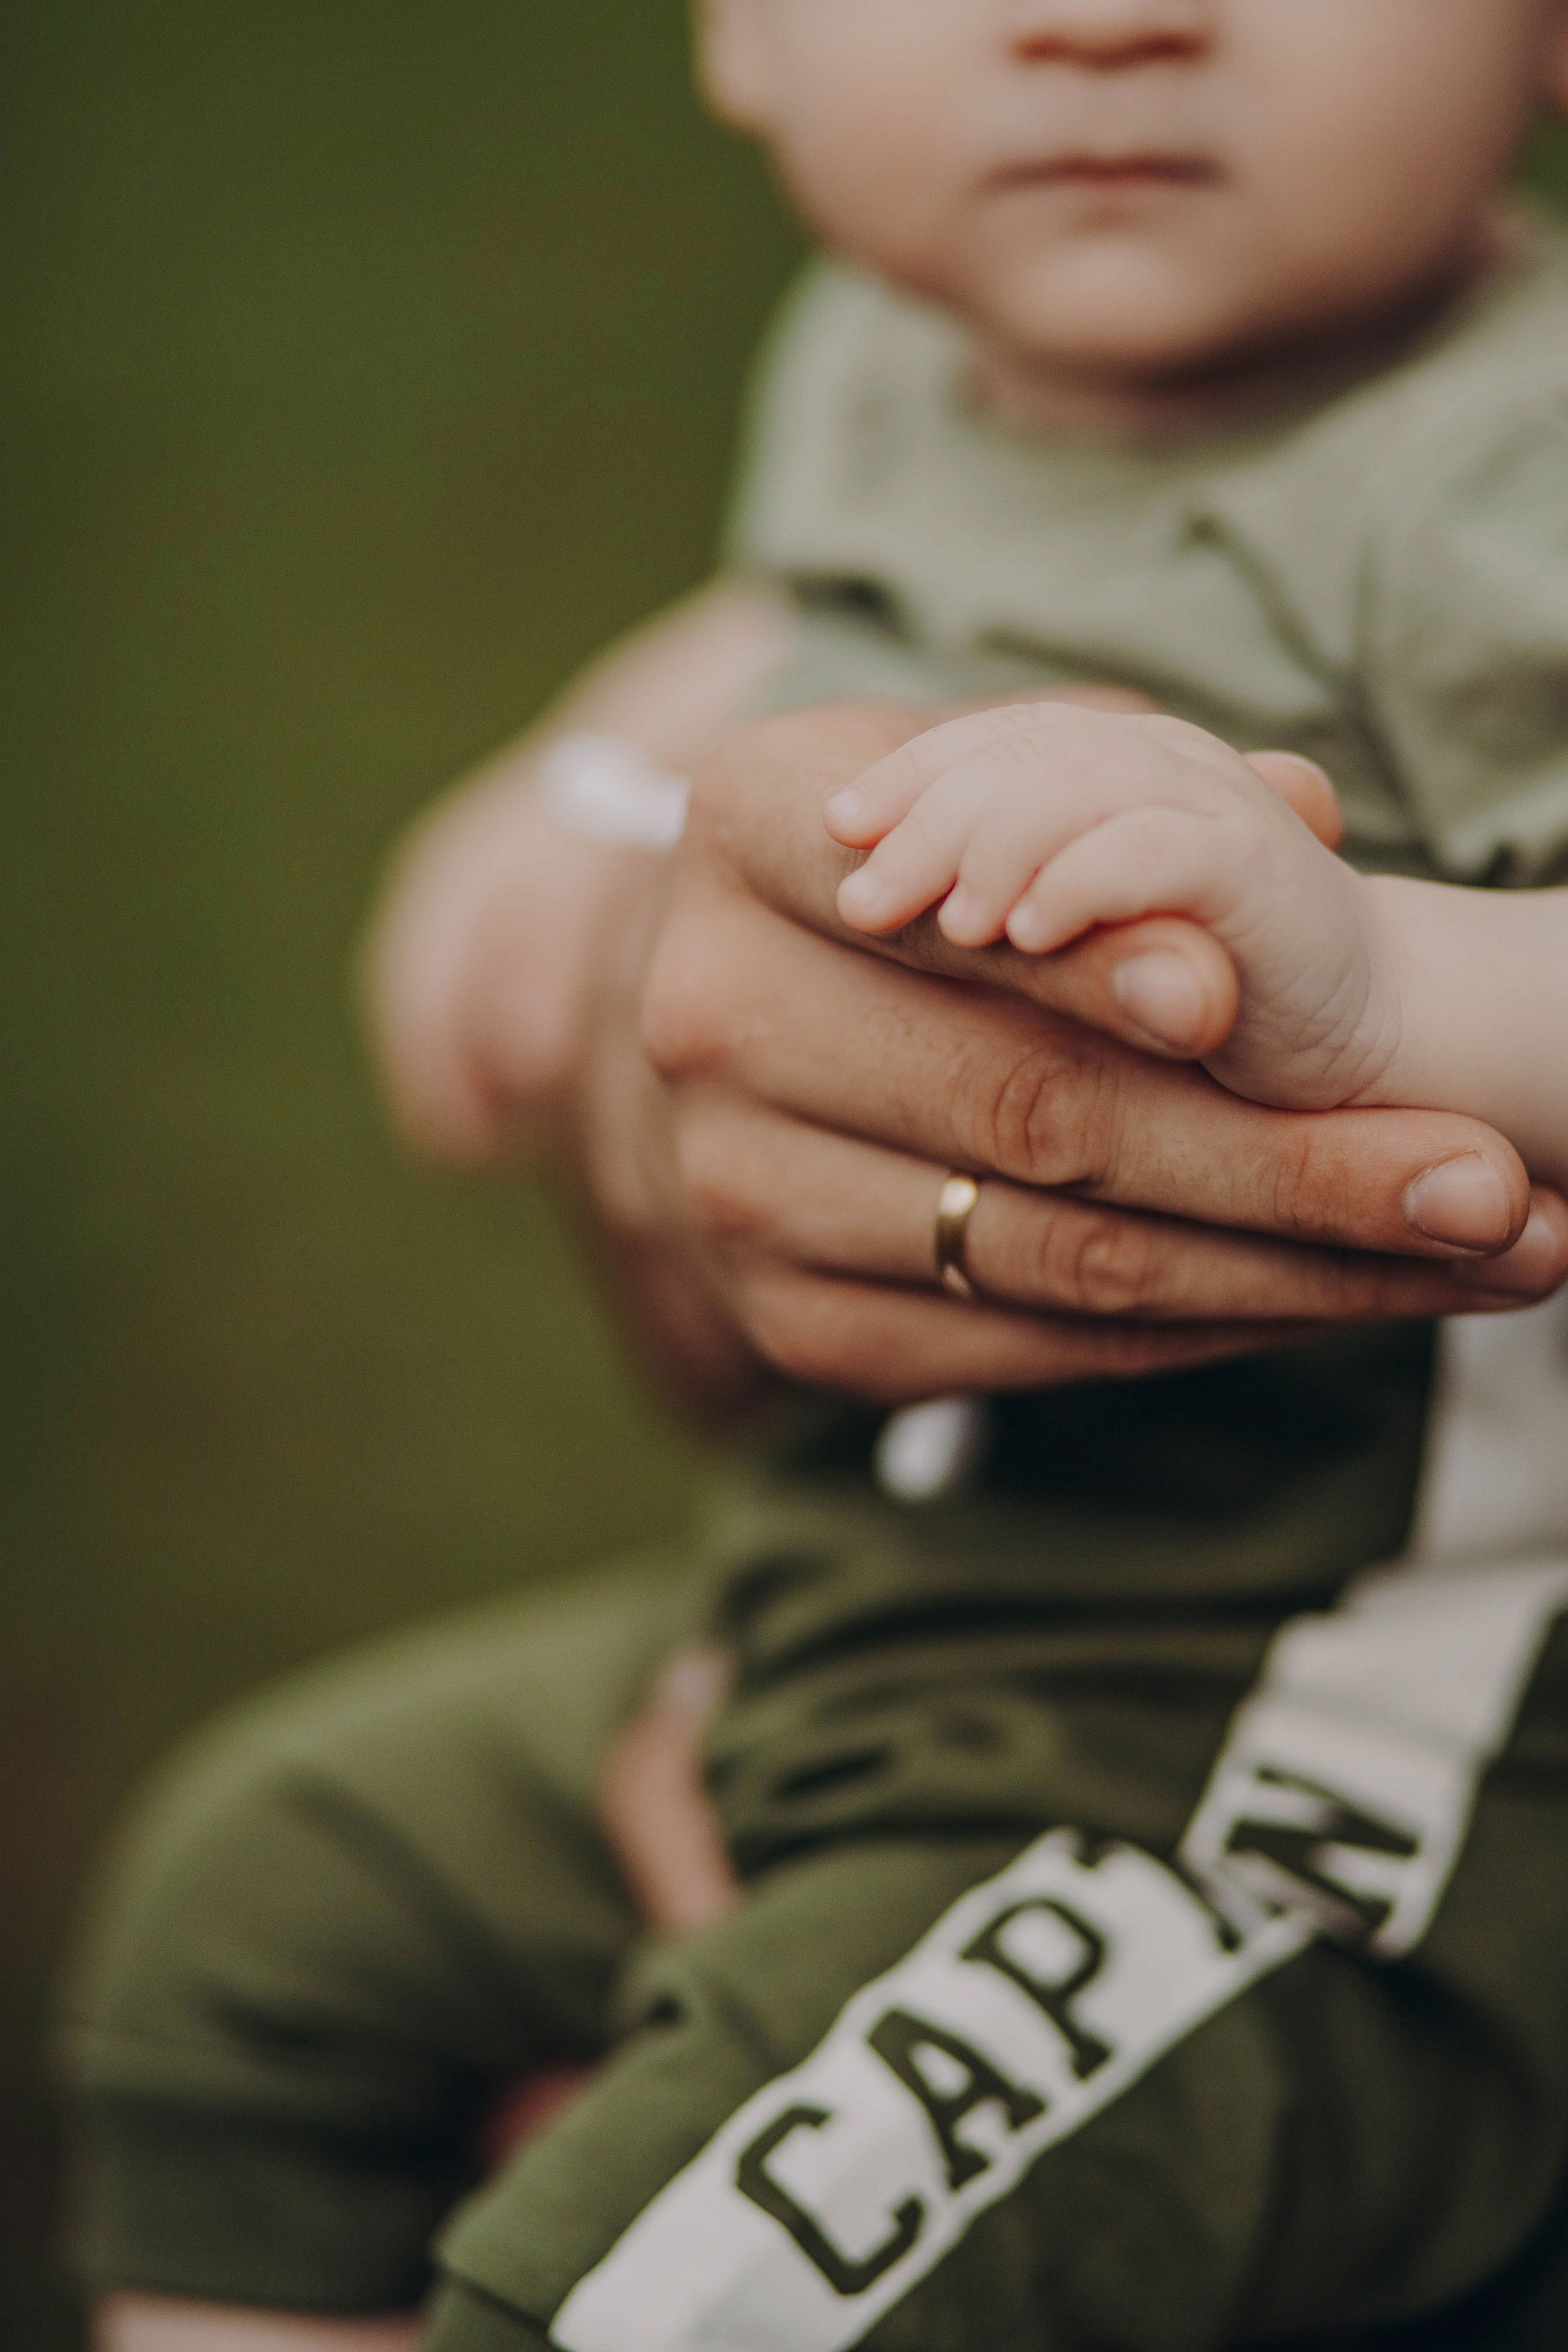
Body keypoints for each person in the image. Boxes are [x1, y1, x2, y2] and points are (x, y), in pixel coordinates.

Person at [58, 3, 1568, 2347]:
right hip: (894, 1611)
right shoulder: (899, 346)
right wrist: (589, 780)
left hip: (1317, 1763)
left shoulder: (1506, 485)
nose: (1104, 22)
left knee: (663, 2299)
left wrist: (1386, 983)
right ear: (742, 37)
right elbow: (805, 597)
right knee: (268, 1917)